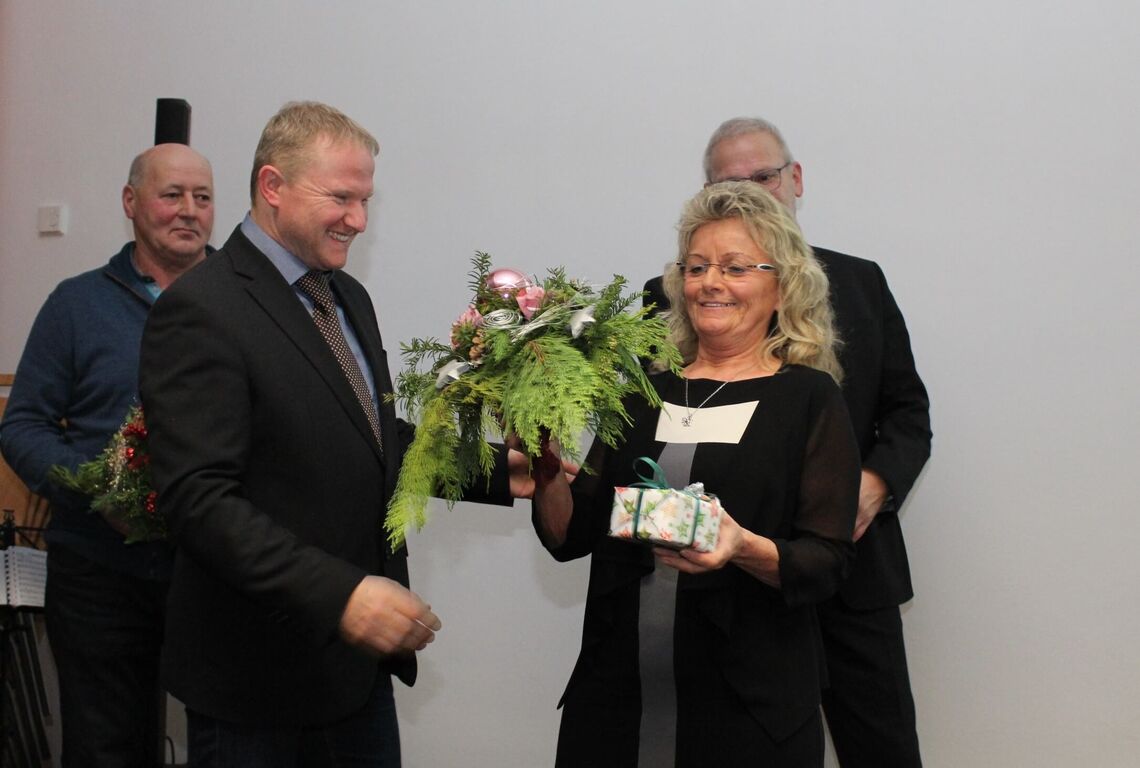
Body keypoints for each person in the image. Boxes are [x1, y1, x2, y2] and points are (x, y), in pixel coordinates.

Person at [138, 101, 536, 767]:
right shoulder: (201, 309)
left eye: (365, 200)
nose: (358, 219)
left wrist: (495, 471)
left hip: (353, 676)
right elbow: (199, 501)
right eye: (341, 198)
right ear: (273, 186)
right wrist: (343, 596)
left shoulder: (346, 297)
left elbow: (373, 437)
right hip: (255, 685)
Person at [532, 181, 861, 767]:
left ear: (783, 287)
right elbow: (568, 536)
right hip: (614, 704)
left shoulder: (809, 400)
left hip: (749, 714)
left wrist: (741, 547)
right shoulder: (641, 392)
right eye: (697, 266)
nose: (711, 282)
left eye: (735, 268)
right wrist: (548, 470)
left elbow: (826, 562)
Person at [645, 117, 932, 767]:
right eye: (729, 182)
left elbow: (907, 413)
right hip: (728, 591)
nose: (750, 191)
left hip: (851, 571)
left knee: (882, 747)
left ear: (795, 179)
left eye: (763, 177)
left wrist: (872, 487)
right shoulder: (672, 295)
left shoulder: (861, 281)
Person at [0, 143, 215, 766]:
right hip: (98, 571)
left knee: (228, 741)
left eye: (202, 197)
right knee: (104, 749)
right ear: (131, 202)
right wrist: (95, 492)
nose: (189, 210)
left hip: (213, 570)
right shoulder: (77, 304)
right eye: (171, 194)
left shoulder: (242, 302)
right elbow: (24, 426)